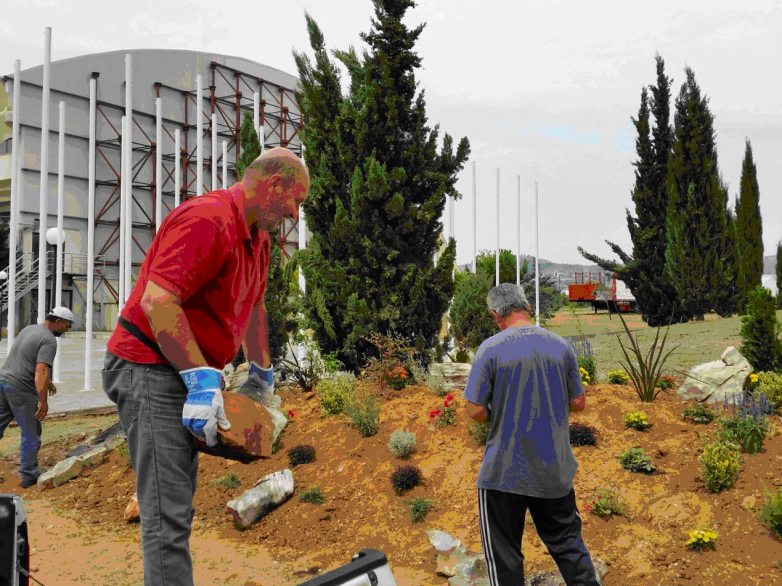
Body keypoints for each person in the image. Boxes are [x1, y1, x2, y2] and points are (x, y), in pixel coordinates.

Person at [101, 147, 309, 586]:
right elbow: (159, 301)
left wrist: (261, 373)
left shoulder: (259, 238)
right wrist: (199, 379)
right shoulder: (208, 219)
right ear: (274, 185)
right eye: (296, 201)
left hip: (179, 370)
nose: (295, 213)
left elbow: (254, 306)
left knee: (176, 506)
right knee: (166, 514)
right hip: (150, 367)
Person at [462, 283, 603, 586]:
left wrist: (498, 414)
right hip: (554, 469)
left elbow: (473, 408)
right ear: (526, 306)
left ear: (497, 313)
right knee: (568, 545)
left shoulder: (490, 349)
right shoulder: (559, 345)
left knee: (505, 557)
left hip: (505, 472)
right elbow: (579, 402)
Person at [0, 307, 74, 488]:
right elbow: (41, 369)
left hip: (3, 382)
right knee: (31, 434)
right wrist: (43, 401)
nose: (67, 329)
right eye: (67, 325)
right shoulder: (49, 340)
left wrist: (47, 383)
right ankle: (29, 476)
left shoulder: (30, 329)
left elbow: (25, 358)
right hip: (21, 390)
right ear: (58, 321)